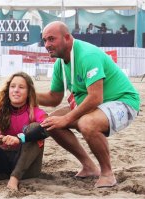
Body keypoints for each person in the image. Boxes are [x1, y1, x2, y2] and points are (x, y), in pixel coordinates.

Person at [39, 21, 140, 188]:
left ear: (67, 37)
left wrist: (67, 119)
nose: (47, 45)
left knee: (87, 123)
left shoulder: (87, 55)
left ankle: (107, 174)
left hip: (123, 102)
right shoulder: (60, 63)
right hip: (96, 104)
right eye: (44, 40)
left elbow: (95, 98)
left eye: (51, 39)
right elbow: (53, 98)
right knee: (50, 122)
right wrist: (27, 95)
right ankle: (89, 167)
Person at [0, 72, 50, 190]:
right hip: (0, 168)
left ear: (28, 92)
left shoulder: (36, 112)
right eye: (13, 86)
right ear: (7, 90)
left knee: (35, 128)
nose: (16, 90)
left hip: (27, 170)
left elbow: (48, 127)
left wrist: (20, 139)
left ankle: (14, 179)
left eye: (21, 87)